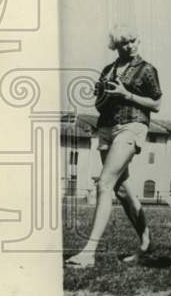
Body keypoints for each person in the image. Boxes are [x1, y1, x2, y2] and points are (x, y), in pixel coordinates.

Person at [66, 26, 162, 268]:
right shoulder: (108, 70)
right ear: (116, 46)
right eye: (124, 43)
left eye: (133, 41)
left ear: (138, 41)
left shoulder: (146, 69)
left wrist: (127, 94)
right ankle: (146, 243)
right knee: (120, 189)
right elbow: (99, 105)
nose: (130, 46)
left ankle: (89, 252)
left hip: (132, 126)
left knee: (105, 183)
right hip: (106, 128)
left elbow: (157, 103)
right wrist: (102, 95)